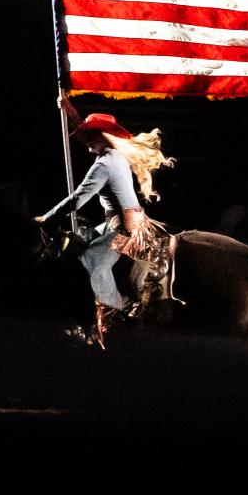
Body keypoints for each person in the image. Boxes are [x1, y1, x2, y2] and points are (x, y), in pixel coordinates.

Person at [37, 99, 175, 346]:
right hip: (118, 222)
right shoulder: (114, 154)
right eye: (88, 139)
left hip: (126, 228)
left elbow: (77, 199)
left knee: (93, 262)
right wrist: (70, 112)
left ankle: (117, 313)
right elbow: (87, 137)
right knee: (80, 237)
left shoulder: (105, 164)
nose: (89, 146)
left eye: (92, 139)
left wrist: (47, 218)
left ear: (104, 137)